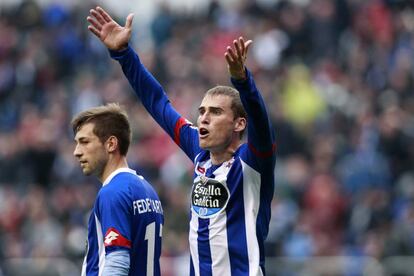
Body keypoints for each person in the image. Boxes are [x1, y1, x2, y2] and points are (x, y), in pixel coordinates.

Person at [87, 6, 276, 275]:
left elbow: (261, 120)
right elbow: (158, 104)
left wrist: (242, 81)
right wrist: (124, 54)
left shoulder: (253, 163)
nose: (203, 119)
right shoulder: (199, 153)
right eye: (201, 112)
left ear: (239, 124)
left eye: (215, 112)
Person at [72, 103, 164, 276]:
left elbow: (117, 262)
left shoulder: (112, 192)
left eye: (84, 142)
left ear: (111, 144)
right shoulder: (148, 190)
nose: (77, 152)